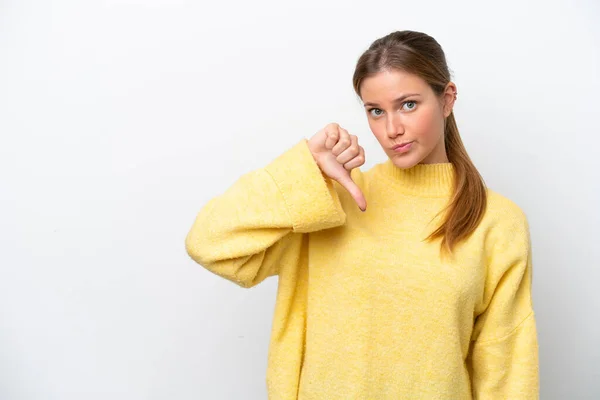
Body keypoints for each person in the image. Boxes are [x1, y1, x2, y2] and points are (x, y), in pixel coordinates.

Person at [185, 30, 539, 399]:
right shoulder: (328, 199)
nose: (391, 130)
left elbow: (508, 374)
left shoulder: (497, 221)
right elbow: (209, 243)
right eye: (375, 111)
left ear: (447, 99)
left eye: (408, 105)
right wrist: (306, 167)